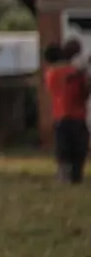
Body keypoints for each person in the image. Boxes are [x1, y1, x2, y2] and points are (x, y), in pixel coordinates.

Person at [45, 41, 90, 184]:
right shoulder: (71, 72)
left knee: (65, 151)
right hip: (76, 117)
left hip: (62, 117)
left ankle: (66, 177)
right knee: (78, 151)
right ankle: (74, 177)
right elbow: (84, 93)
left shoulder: (51, 73)